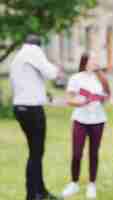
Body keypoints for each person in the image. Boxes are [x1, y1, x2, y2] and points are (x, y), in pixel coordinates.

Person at [9, 35, 62, 200]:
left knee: (35, 151)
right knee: (36, 152)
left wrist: (42, 93)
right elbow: (51, 73)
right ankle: (33, 194)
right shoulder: (33, 51)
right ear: (38, 45)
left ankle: (40, 190)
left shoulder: (18, 57)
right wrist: (57, 68)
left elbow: (26, 83)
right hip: (32, 109)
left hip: (20, 107)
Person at [61, 52, 110, 199]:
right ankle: (74, 183)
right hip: (80, 120)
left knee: (93, 153)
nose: (95, 62)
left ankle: (91, 184)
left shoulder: (101, 78)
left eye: (96, 59)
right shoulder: (76, 78)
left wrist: (101, 98)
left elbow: (107, 96)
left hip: (98, 120)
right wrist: (82, 102)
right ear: (85, 62)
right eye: (92, 60)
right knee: (77, 153)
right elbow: (69, 99)